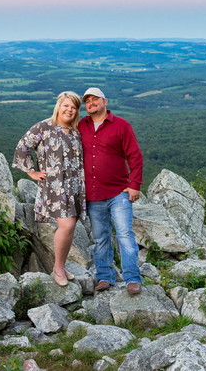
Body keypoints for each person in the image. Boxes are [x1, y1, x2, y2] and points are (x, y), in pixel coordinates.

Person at [13, 91, 86, 287]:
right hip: (54, 186)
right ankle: (58, 268)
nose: (69, 110)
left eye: (74, 107)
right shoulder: (45, 127)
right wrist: (31, 172)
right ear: (58, 106)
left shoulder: (77, 131)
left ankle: (60, 265)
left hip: (75, 186)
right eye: (66, 106)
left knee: (70, 228)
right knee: (67, 226)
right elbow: (23, 146)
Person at [77, 87, 145, 295]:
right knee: (100, 238)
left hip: (118, 192)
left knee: (125, 235)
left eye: (95, 99)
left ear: (105, 101)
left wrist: (134, 185)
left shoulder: (122, 126)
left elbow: (135, 157)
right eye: (87, 100)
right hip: (93, 194)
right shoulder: (81, 125)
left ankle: (132, 278)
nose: (91, 103)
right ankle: (105, 277)